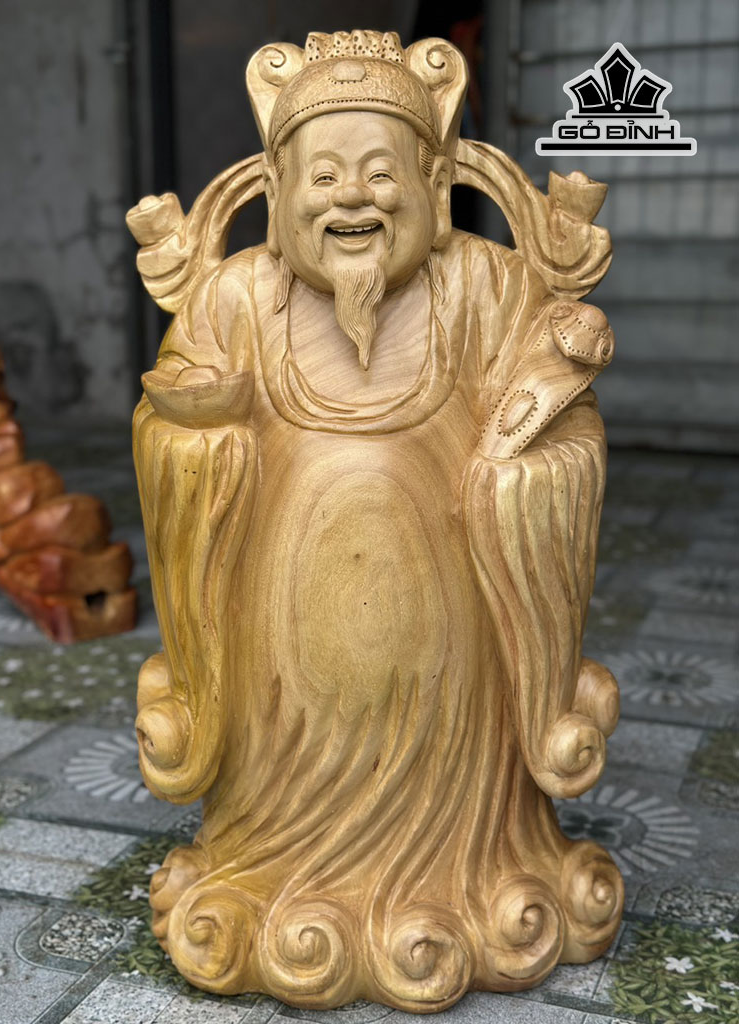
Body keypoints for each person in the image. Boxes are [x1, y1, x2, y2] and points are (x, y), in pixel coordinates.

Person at [128, 30, 622, 1012]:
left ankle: (474, 872)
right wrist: (202, 444)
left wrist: (515, 473)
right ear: (276, 191)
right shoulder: (235, 296)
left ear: (435, 185)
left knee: (475, 845)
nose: (350, 197)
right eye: (320, 175)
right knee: (265, 836)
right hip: (281, 688)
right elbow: (165, 423)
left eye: (381, 172)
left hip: (457, 698)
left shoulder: (486, 285)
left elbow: (565, 425)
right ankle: (266, 867)